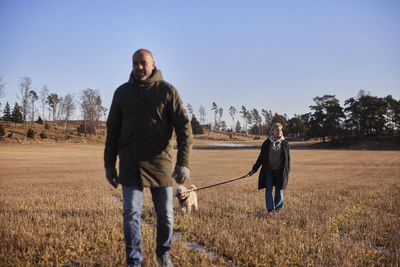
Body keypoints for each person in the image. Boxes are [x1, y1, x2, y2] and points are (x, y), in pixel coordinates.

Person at [104, 49, 193, 267]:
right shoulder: (122, 93)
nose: (139, 67)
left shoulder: (167, 91)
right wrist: (109, 165)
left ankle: (163, 254)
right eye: (135, 63)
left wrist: (183, 162)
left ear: (153, 64)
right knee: (131, 214)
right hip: (129, 164)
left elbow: (184, 128)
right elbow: (112, 130)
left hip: (160, 164)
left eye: (143, 63)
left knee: (165, 215)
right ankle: (134, 261)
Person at [248, 123, 290, 213]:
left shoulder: (285, 144)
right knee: (269, 189)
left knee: (279, 189)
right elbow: (261, 158)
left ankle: (278, 209)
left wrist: (287, 172)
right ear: (272, 132)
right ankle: (270, 210)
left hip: (280, 171)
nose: (279, 132)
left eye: (280, 130)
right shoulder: (267, 143)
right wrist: (254, 170)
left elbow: (288, 160)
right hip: (268, 171)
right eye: (277, 130)